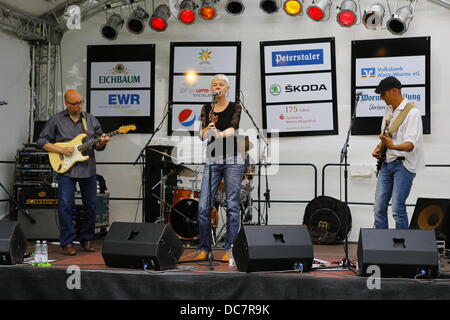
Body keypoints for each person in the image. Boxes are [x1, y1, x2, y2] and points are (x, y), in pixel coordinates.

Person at [37, 89, 110, 255]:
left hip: (87, 168)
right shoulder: (56, 119)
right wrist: (60, 149)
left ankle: (87, 239)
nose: (79, 106)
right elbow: (41, 141)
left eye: (81, 102)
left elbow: (99, 145)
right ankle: (67, 242)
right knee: (65, 206)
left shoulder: (90, 119)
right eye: (75, 103)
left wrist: (103, 142)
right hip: (65, 168)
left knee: (91, 205)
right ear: (66, 103)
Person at [195, 74, 245, 261]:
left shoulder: (235, 106)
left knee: (232, 205)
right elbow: (201, 134)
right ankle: (204, 247)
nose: (217, 86)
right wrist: (207, 131)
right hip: (212, 159)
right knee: (203, 206)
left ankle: (230, 248)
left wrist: (219, 134)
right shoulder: (207, 108)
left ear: (227, 89)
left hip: (233, 159)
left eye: (221, 84)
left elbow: (234, 128)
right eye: (214, 84)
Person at [371, 77, 424, 229]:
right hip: (386, 164)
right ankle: (380, 245)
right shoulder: (388, 110)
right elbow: (387, 136)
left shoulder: (412, 112)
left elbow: (410, 145)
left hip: (403, 165)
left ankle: (401, 248)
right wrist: (380, 146)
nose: (381, 97)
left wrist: (392, 145)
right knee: (379, 208)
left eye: (383, 93)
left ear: (394, 90)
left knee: (397, 209)